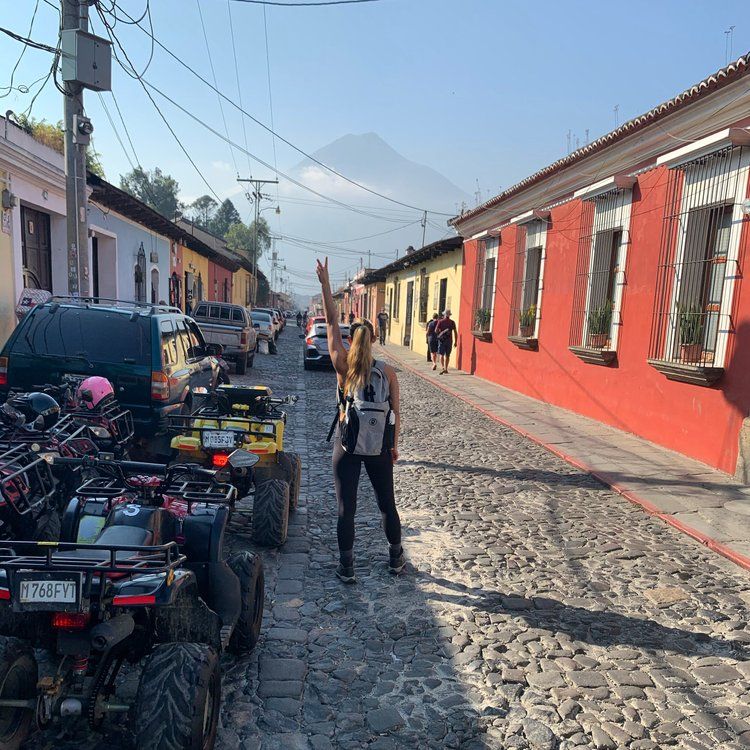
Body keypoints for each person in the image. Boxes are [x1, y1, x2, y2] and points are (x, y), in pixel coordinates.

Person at [316, 257, 404, 583]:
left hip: (348, 446)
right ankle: (396, 559)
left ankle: (347, 568)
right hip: (378, 447)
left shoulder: (343, 365)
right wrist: (392, 448)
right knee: (387, 505)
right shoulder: (389, 372)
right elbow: (395, 413)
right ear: (374, 340)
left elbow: (329, 320)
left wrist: (325, 283)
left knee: (346, 509)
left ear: (351, 340)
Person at [435, 309, 457, 374]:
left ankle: (443, 367)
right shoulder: (452, 322)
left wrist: (440, 332)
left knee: (441, 354)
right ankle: (446, 368)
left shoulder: (440, 321)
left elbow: (436, 330)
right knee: (447, 355)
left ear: (444, 314)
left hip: (442, 340)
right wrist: (456, 341)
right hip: (449, 340)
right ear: (449, 315)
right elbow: (455, 332)